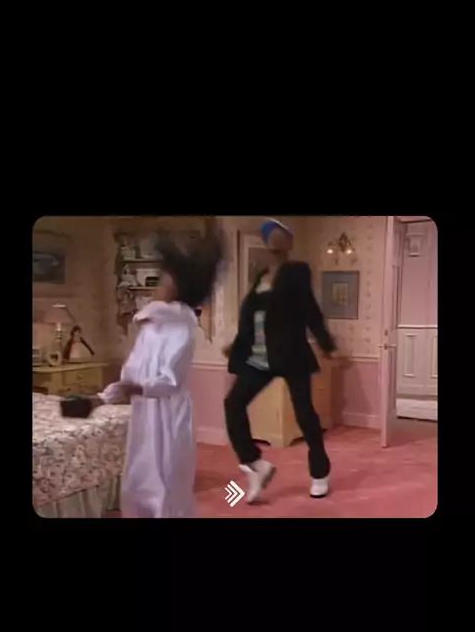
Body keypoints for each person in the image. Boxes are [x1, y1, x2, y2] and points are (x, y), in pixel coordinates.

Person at [93, 228, 226, 518]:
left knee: (165, 477)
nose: (157, 286)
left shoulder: (181, 328)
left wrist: (136, 388)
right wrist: (107, 395)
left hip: (169, 413)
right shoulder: (151, 325)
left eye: (163, 281)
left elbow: (169, 381)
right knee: (140, 474)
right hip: (145, 411)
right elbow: (133, 371)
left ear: (178, 288)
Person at [223, 218, 340, 503]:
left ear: (289, 241)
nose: (273, 238)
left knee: (305, 415)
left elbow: (310, 310)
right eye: (268, 234)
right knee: (233, 403)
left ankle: (320, 473)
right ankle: (256, 464)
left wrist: (327, 345)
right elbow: (252, 318)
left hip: (291, 355)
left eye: (279, 233)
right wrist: (236, 346)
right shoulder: (260, 277)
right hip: (259, 357)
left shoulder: (297, 272)